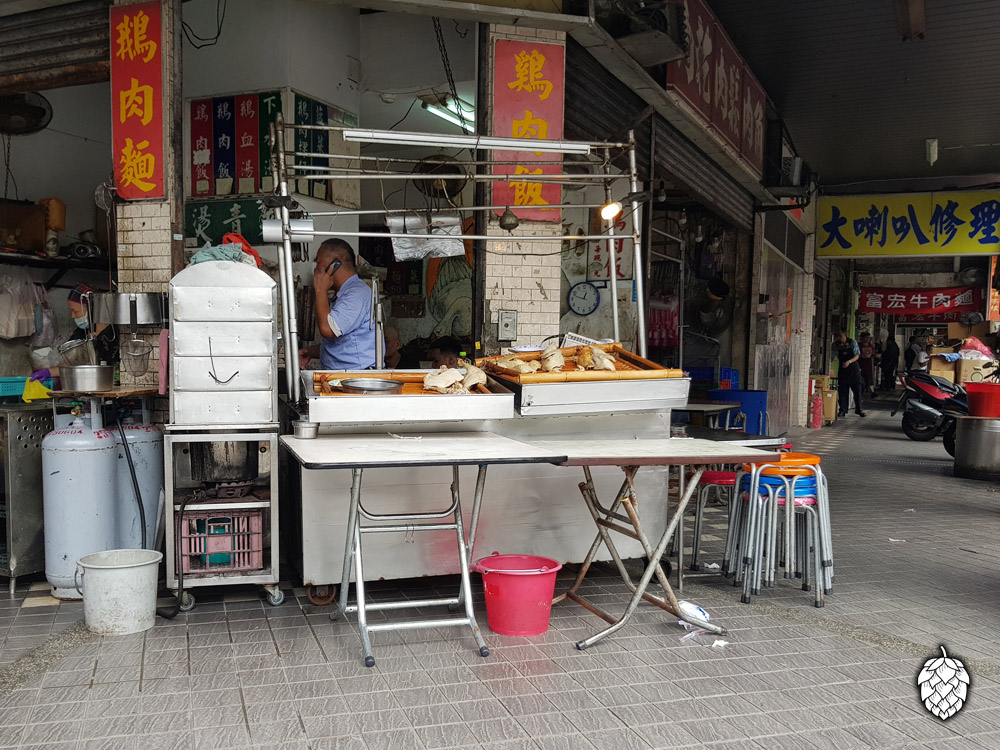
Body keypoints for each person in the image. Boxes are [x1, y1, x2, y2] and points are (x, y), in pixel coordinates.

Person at [297, 239, 379, 371]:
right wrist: (311, 352)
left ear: (335, 265)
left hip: (358, 378)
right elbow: (344, 345)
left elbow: (327, 329)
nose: (316, 269)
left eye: (318, 263)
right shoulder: (343, 294)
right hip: (345, 376)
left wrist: (320, 290)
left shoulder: (356, 294)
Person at [30, 284, 117, 382]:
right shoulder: (81, 333)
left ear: (91, 309)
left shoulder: (112, 336)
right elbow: (71, 362)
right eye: (71, 311)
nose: (73, 316)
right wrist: (49, 372)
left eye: (75, 311)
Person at [835, 330, 866, 418]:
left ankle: (859, 409)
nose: (840, 339)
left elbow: (857, 355)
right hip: (843, 370)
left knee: (857, 390)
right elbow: (833, 355)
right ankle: (843, 409)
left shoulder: (852, 343)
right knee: (842, 391)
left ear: (845, 335)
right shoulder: (836, 345)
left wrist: (849, 361)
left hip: (853, 370)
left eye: (841, 336)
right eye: (838, 337)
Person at [858, 331, 876, 397]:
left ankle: (872, 392)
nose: (867, 339)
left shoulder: (871, 345)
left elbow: (873, 353)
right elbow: (857, 354)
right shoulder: (859, 345)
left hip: (868, 364)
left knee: (869, 377)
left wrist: (871, 355)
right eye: (866, 337)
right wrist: (862, 355)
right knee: (861, 377)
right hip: (861, 363)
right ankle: (861, 391)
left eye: (868, 337)